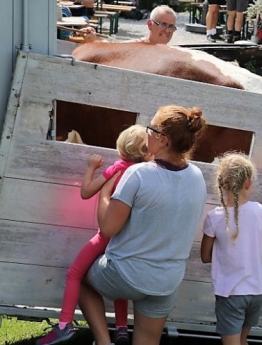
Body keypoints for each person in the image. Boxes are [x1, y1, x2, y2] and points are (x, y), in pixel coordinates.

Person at [78, 105, 208, 345]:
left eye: (151, 128)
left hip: (125, 273)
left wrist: (104, 194)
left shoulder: (138, 174)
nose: (146, 132)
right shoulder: (198, 176)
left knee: (81, 282)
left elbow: (108, 228)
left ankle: (104, 343)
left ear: (163, 140)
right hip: (167, 281)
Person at [36, 126, 149, 345]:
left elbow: (86, 192)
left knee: (74, 274)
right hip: (126, 238)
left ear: (122, 148)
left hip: (105, 236)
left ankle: (63, 325)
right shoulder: (145, 174)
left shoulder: (118, 169)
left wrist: (91, 167)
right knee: (119, 281)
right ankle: (122, 328)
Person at [201, 153, 262, 345]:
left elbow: (205, 257)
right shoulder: (259, 211)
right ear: (248, 183)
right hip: (256, 291)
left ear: (220, 183)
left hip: (230, 292)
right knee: (242, 340)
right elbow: (258, 243)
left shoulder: (214, 217)